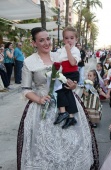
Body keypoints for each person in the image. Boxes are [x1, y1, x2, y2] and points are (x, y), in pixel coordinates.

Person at [17, 27, 99, 170]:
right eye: (41, 40)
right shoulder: (29, 62)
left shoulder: (60, 55)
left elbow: (72, 73)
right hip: (42, 106)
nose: (46, 43)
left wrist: (73, 86)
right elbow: (25, 90)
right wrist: (39, 99)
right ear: (34, 43)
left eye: (48, 39)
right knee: (43, 147)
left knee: (71, 143)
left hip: (66, 102)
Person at [53, 26, 81, 129]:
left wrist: (68, 50)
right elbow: (59, 63)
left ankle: (63, 112)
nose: (69, 40)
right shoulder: (61, 51)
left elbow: (73, 62)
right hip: (64, 74)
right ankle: (70, 117)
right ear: (63, 39)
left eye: (72, 38)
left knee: (61, 90)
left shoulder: (75, 50)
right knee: (67, 92)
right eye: (66, 38)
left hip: (72, 73)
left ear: (76, 39)